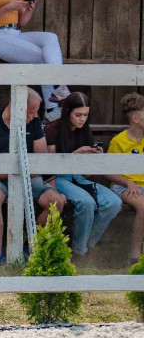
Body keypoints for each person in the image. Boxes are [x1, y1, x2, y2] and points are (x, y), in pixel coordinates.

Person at [0, 88, 66, 263]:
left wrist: (53, 188)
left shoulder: (34, 123)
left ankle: (31, 250)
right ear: (16, 109)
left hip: (25, 176)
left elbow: (41, 159)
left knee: (56, 201)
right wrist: (18, 173)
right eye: (32, 112)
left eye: (37, 112)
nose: (36, 116)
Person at [43, 92, 121, 257]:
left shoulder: (85, 131)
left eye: (86, 115)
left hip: (78, 177)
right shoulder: (52, 129)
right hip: (58, 178)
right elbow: (49, 167)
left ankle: (87, 246)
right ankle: (80, 253)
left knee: (114, 202)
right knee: (86, 203)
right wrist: (75, 154)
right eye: (78, 115)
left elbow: (87, 174)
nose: (82, 119)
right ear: (67, 112)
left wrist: (95, 158)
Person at [105, 93, 144, 265]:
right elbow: (108, 172)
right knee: (143, 206)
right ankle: (134, 257)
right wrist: (128, 182)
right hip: (125, 187)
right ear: (135, 118)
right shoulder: (119, 141)